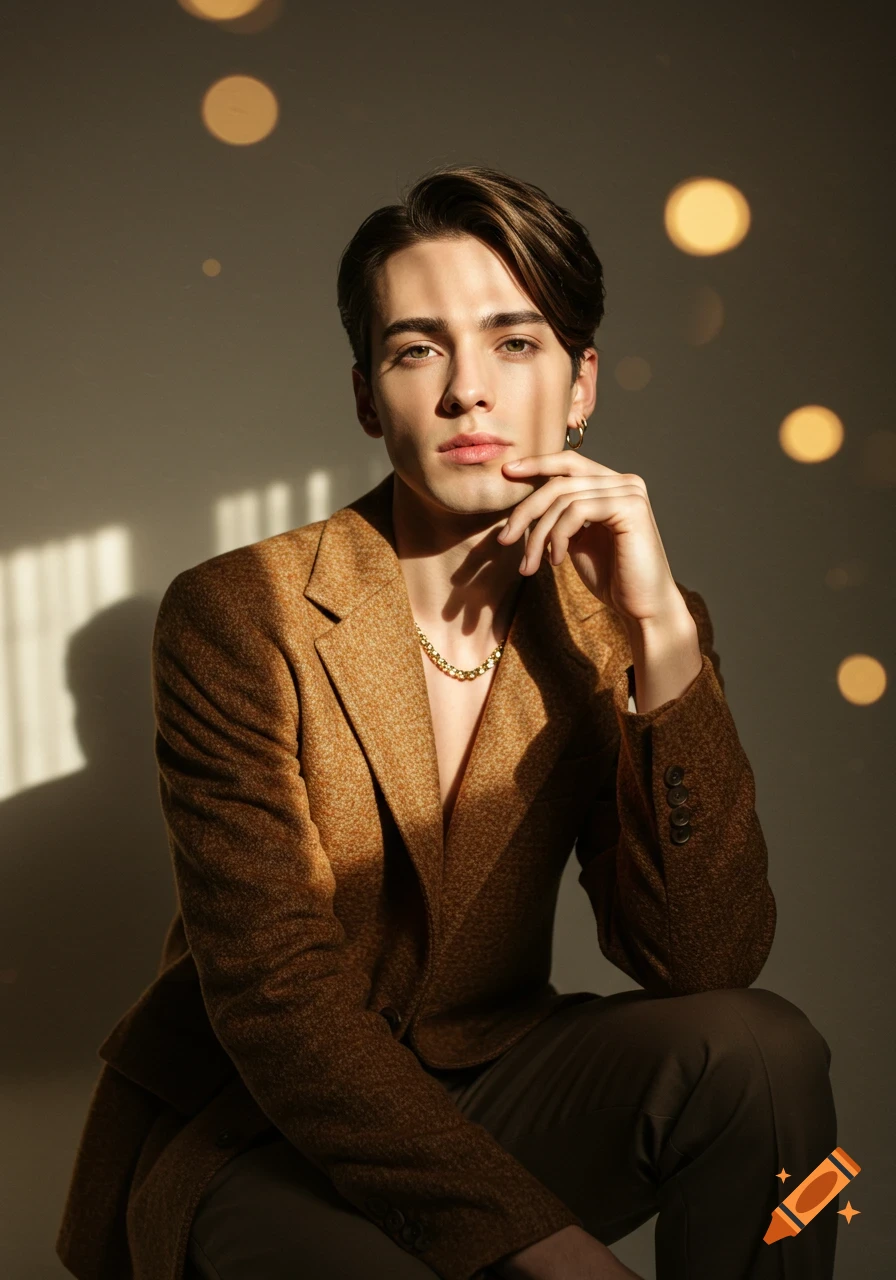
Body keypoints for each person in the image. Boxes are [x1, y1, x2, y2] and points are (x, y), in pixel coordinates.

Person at [56, 164, 837, 1280]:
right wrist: (551, 1249)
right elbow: (278, 998)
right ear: (368, 396)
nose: (468, 389)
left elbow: (704, 957)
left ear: (580, 386)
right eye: (417, 348)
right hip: (263, 1130)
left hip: (493, 1071)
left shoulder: (616, 615)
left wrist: (660, 634)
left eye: (514, 343)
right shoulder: (238, 610)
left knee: (759, 1050)